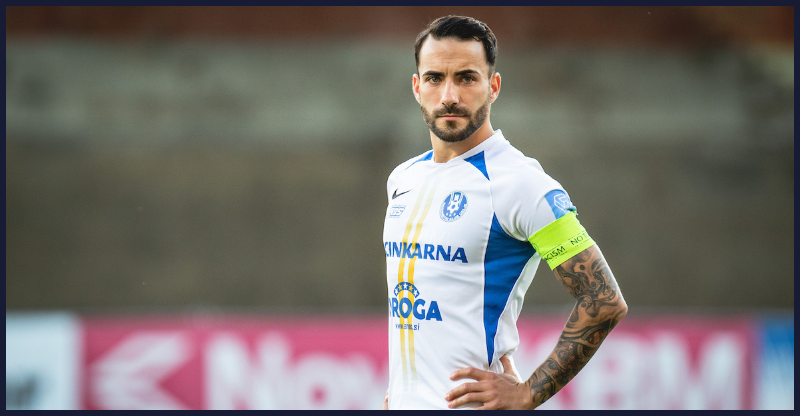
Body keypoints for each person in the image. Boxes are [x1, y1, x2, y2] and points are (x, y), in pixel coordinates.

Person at [381, 15, 627, 410]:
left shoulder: (520, 183)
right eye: (434, 79)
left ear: (493, 86)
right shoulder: (403, 178)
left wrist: (528, 392)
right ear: (416, 87)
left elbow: (604, 300)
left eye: (466, 78)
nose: (449, 95)